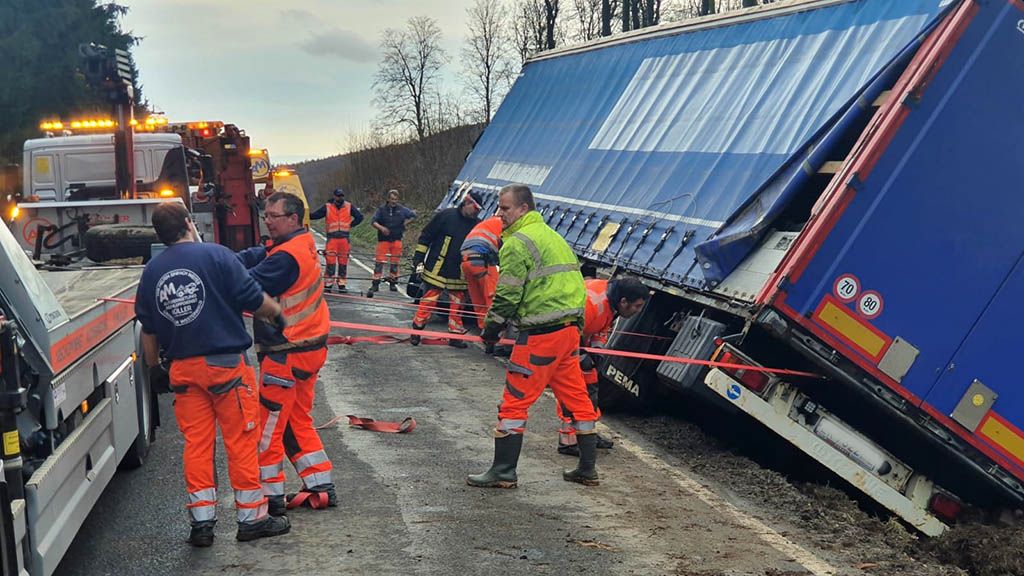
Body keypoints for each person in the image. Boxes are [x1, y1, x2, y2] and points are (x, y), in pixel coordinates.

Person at [135, 202, 291, 547]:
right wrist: (277, 316)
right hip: (226, 369)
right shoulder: (218, 256)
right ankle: (251, 519)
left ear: (159, 234)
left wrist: (154, 368)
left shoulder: (152, 271)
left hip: (183, 372)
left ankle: (201, 525)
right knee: (240, 441)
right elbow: (254, 299)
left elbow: (148, 330)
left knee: (197, 445)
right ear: (189, 224)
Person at [468, 184, 600, 489]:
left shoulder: (517, 243)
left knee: (514, 402)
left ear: (524, 209)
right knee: (578, 400)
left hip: (541, 335)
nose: (499, 214)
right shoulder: (554, 237)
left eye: (505, 208)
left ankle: (503, 472)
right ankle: (587, 469)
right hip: (568, 332)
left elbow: (507, 294)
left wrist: (491, 329)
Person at [236, 192, 336, 515]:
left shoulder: (284, 258)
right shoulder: (301, 242)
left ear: (293, 218)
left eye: (274, 216)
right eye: (265, 215)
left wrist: (213, 272)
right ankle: (321, 484)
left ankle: (271, 497)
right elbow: (256, 255)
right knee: (296, 421)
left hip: (286, 353)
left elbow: (244, 286)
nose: (267, 220)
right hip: (308, 350)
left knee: (268, 431)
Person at [556, 277, 649, 456]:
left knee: (591, 386)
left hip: (577, 341)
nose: (639, 311)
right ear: (623, 302)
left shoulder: (612, 302)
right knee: (574, 392)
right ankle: (568, 441)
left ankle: (587, 433)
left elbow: (602, 327)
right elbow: (566, 331)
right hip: (562, 343)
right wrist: (580, 355)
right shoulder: (591, 304)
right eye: (637, 306)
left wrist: (596, 349)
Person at [409, 192, 482, 347]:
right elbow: (426, 237)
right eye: (474, 208)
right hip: (437, 269)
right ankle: (417, 331)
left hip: (459, 273)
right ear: (466, 202)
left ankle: (455, 337)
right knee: (428, 302)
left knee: (458, 307)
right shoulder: (446, 216)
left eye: (478, 210)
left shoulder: (477, 225)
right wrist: (418, 259)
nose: (476, 212)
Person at [309, 187, 363, 293]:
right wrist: (305, 214)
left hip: (344, 238)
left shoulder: (349, 206)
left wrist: (350, 225)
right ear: (334, 196)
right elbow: (315, 215)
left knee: (343, 262)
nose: (340, 198)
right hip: (332, 238)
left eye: (342, 196)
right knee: (330, 261)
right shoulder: (327, 207)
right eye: (338, 196)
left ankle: (342, 284)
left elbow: (359, 217)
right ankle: (328, 283)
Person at [460, 214, 503, 331]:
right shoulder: (504, 223)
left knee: (478, 301)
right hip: (481, 261)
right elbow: (507, 248)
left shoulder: (487, 223)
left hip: (466, 262)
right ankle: (493, 333)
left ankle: (483, 329)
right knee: (491, 299)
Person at [368, 189, 416, 295]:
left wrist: (405, 223)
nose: (394, 201)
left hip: (396, 239)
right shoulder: (381, 210)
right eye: (392, 199)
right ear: (388, 198)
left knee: (395, 262)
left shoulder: (402, 210)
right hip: (383, 240)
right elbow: (373, 221)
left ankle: (393, 282)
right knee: (379, 262)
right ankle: (375, 283)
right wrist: (381, 228)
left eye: (396, 199)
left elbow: (413, 215)